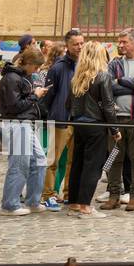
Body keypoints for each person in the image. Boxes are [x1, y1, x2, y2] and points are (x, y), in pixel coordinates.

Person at [65, 42, 121, 217]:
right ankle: (85, 206)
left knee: (78, 164)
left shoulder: (77, 77)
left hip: (79, 124)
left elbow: (68, 104)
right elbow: (108, 106)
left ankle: (74, 202)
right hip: (96, 125)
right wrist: (114, 129)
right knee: (92, 167)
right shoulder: (102, 76)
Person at [0, 46, 54, 215]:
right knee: (19, 164)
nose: (36, 71)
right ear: (27, 63)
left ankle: (33, 201)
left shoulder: (23, 77)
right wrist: (35, 95)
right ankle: (10, 204)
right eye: (35, 67)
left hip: (26, 123)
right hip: (16, 123)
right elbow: (13, 106)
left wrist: (35, 96)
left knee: (40, 161)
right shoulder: (11, 78)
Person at [102, 29, 134, 211]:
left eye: (124, 41)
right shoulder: (115, 62)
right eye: (120, 41)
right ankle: (114, 195)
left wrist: (121, 81)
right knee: (114, 157)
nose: (120, 45)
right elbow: (108, 87)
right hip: (115, 119)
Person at [43, 29, 83, 205]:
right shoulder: (58, 67)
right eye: (76, 44)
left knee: (73, 161)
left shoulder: (84, 65)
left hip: (79, 119)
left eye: (82, 43)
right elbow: (48, 96)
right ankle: (48, 194)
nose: (79, 47)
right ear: (67, 45)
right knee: (53, 159)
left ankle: (68, 193)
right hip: (60, 119)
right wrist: (48, 117)